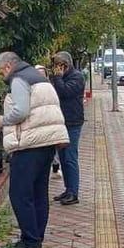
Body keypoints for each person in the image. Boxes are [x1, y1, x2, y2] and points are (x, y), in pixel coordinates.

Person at [0, 51, 68, 248]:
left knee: (19, 193)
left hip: (30, 144)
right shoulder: (38, 77)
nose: (2, 77)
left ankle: (30, 241)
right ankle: (37, 237)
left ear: (8, 66)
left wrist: (2, 120)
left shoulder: (19, 79)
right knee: (38, 192)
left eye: (0, 73)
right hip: (47, 142)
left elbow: (21, 111)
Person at [48, 50, 85, 205]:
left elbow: (64, 92)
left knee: (70, 157)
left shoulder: (77, 77)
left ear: (64, 65)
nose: (55, 69)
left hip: (72, 122)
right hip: (62, 121)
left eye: (57, 66)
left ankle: (73, 192)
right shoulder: (61, 77)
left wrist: (57, 77)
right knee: (62, 157)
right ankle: (68, 189)